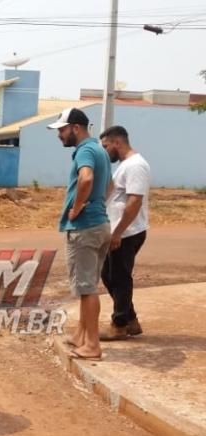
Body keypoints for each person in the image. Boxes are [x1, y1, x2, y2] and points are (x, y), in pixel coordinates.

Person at [47, 108, 111, 360]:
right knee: (89, 286)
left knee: (86, 289)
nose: (59, 135)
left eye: (62, 130)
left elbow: (86, 179)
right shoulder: (100, 150)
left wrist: (76, 208)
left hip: (85, 228)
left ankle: (92, 346)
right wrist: (95, 205)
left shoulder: (85, 150)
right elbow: (111, 185)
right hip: (99, 224)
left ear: (75, 127)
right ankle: (81, 335)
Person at [99, 126, 151, 340]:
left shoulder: (136, 165)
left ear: (117, 143)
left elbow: (134, 201)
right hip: (120, 230)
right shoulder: (125, 165)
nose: (104, 151)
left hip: (128, 232)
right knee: (108, 275)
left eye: (106, 146)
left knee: (120, 277)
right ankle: (130, 320)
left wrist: (118, 233)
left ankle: (119, 325)